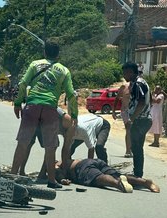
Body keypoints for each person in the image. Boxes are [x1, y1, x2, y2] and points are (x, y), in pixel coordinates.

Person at [11, 40, 78, 189]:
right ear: (58, 54)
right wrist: (74, 115)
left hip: (32, 106)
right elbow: (71, 94)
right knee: (50, 146)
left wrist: (17, 103)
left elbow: (23, 83)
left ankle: (12, 176)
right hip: (50, 109)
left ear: (44, 52)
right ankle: (52, 181)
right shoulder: (64, 71)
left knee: (23, 143)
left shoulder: (35, 64)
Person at [21, 110, 110, 179]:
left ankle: (105, 167)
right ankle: (67, 168)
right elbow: (65, 149)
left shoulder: (84, 131)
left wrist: (88, 167)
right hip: (84, 125)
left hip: (101, 125)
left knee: (99, 146)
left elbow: (91, 149)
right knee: (70, 150)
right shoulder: (65, 128)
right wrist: (64, 170)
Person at [54, 159, 160, 193]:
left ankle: (116, 183)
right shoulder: (68, 159)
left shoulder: (57, 164)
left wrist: (62, 179)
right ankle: (144, 182)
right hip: (93, 161)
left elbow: (58, 173)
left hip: (81, 167)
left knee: (97, 178)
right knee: (117, 174)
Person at [123, 62, 152, 178]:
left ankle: (138, 174)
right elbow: (149, 100)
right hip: (145, 119)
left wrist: (132, 118)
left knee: (136, 147)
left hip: (140, 120)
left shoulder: (138, 84)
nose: (124, 75)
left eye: (125, 73)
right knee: (137, 147)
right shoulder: (141, 82)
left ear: (130, 72)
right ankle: (138, 172)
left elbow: (141, 102)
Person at [112, 82, 132, 158]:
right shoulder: (124, 87)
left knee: (135, 131)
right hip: (126, 111)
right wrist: (113, 111)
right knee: (128, 129)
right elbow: (117, 98)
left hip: (136, 111)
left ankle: (133, 148)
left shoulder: (139, 86)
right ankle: (128, 150)